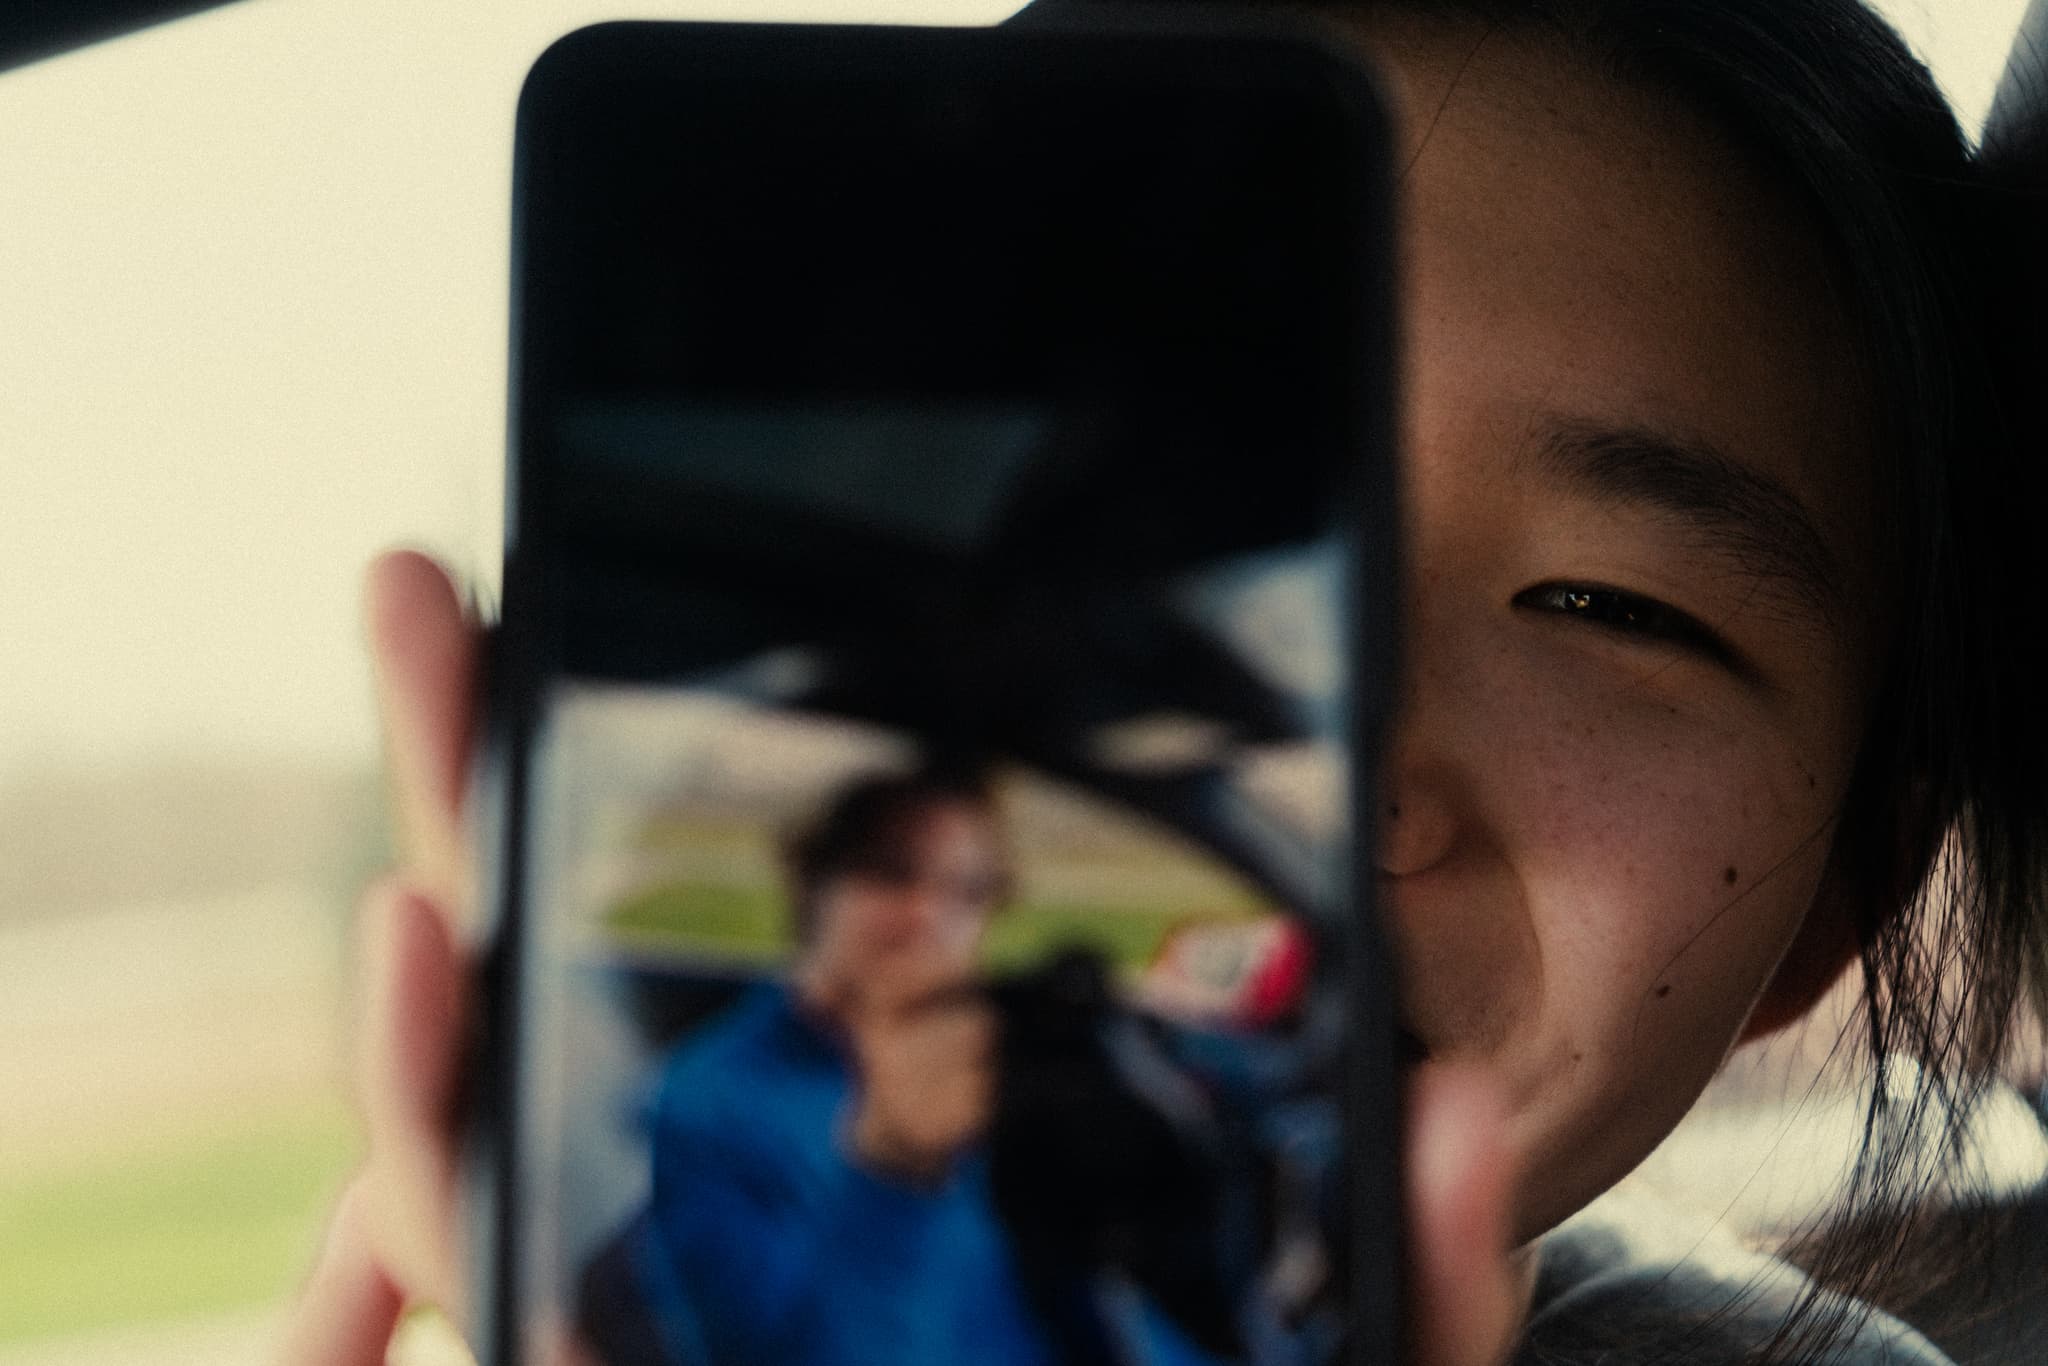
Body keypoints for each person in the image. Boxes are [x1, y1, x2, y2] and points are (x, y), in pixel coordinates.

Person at [281, 1, 2046, 1363]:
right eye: (1184, 533)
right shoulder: (695, 1204)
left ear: (1831, 906)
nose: (1327, 757)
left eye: (1604, 603)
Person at [594, 768, 1050, 1366]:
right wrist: (895, 1171)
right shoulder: (707, 1107)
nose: (927, 916)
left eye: (968, 893)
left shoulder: (999, 1068)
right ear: (814, 883)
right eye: (892, 875)